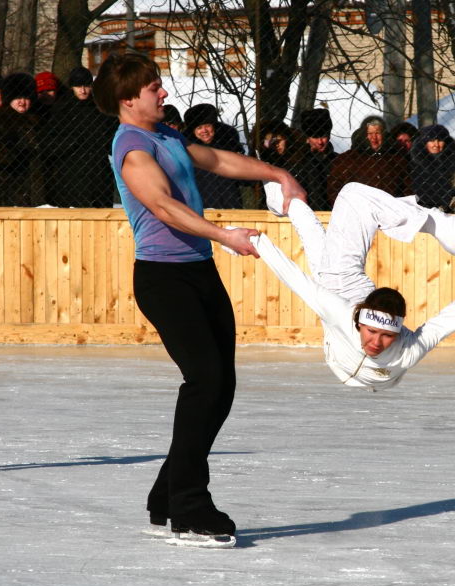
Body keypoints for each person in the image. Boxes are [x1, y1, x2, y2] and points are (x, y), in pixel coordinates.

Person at [91, 52, 305, 543]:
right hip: (164, 280)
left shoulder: (168, 135)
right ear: (128, 100)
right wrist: (224, 235)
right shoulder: (132, 146)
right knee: (204, 380)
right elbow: (163, 206)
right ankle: (189, 508)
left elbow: (219, 159)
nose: (163, 92)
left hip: (200, 274)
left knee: (220, 386)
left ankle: (166, 492)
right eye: (153, 89)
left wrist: (277, 174)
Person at [241, 182, 455, 390]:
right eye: (373, 331)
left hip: (338, 294)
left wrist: (254, 242)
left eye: (385, 335)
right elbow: (453, 317)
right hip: (353, 289)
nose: (376, 342)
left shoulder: (342, 316)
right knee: (340, 206)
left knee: (350, 199)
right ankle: (274, 184)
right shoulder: (407, 350)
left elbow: (297, 281)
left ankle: (441, 225)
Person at [46, 66, 118, 207]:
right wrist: (70, 142)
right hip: (69, 172)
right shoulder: (61, 110)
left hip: (98, 171)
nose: (83, 90)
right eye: (78, 86)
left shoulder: (101, 109)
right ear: (72, 87)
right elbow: (49, 141)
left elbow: (112, 137)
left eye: (86, 86)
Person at [327, 115, 411, 204]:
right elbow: (334, 189)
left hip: (390, 211)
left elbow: (407, 188)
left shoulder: (396, 159)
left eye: (378, 133)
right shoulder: (346, 160)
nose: (374, 137)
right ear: (363, 135)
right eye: (370, 133)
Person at [0, 73, 42, 206]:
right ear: (9, 99)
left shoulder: (38, 120)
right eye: (17, 97)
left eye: (26, 97)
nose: (22, 102)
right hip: (6, 185)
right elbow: (1, 156)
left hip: (34, 185)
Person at [183, 103, 244, 209]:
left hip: (230, 202)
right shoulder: (188, 152)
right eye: (199, 127)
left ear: (214, 127)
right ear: (193, 131)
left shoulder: (229, 146)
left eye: (207, 126)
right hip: (200, 205)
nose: (204, 131)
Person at [410, 124, 455, 212]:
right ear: (424, 143)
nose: (436, 144)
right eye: (432, 140)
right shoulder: (414, 164)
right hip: (421, 210)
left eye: (440, 140)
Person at [297, 108, 337, 211]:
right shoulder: (297, 162)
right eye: (315, 137)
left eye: (323, 136)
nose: (320, 142)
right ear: (307, 138)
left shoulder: (339, 161)